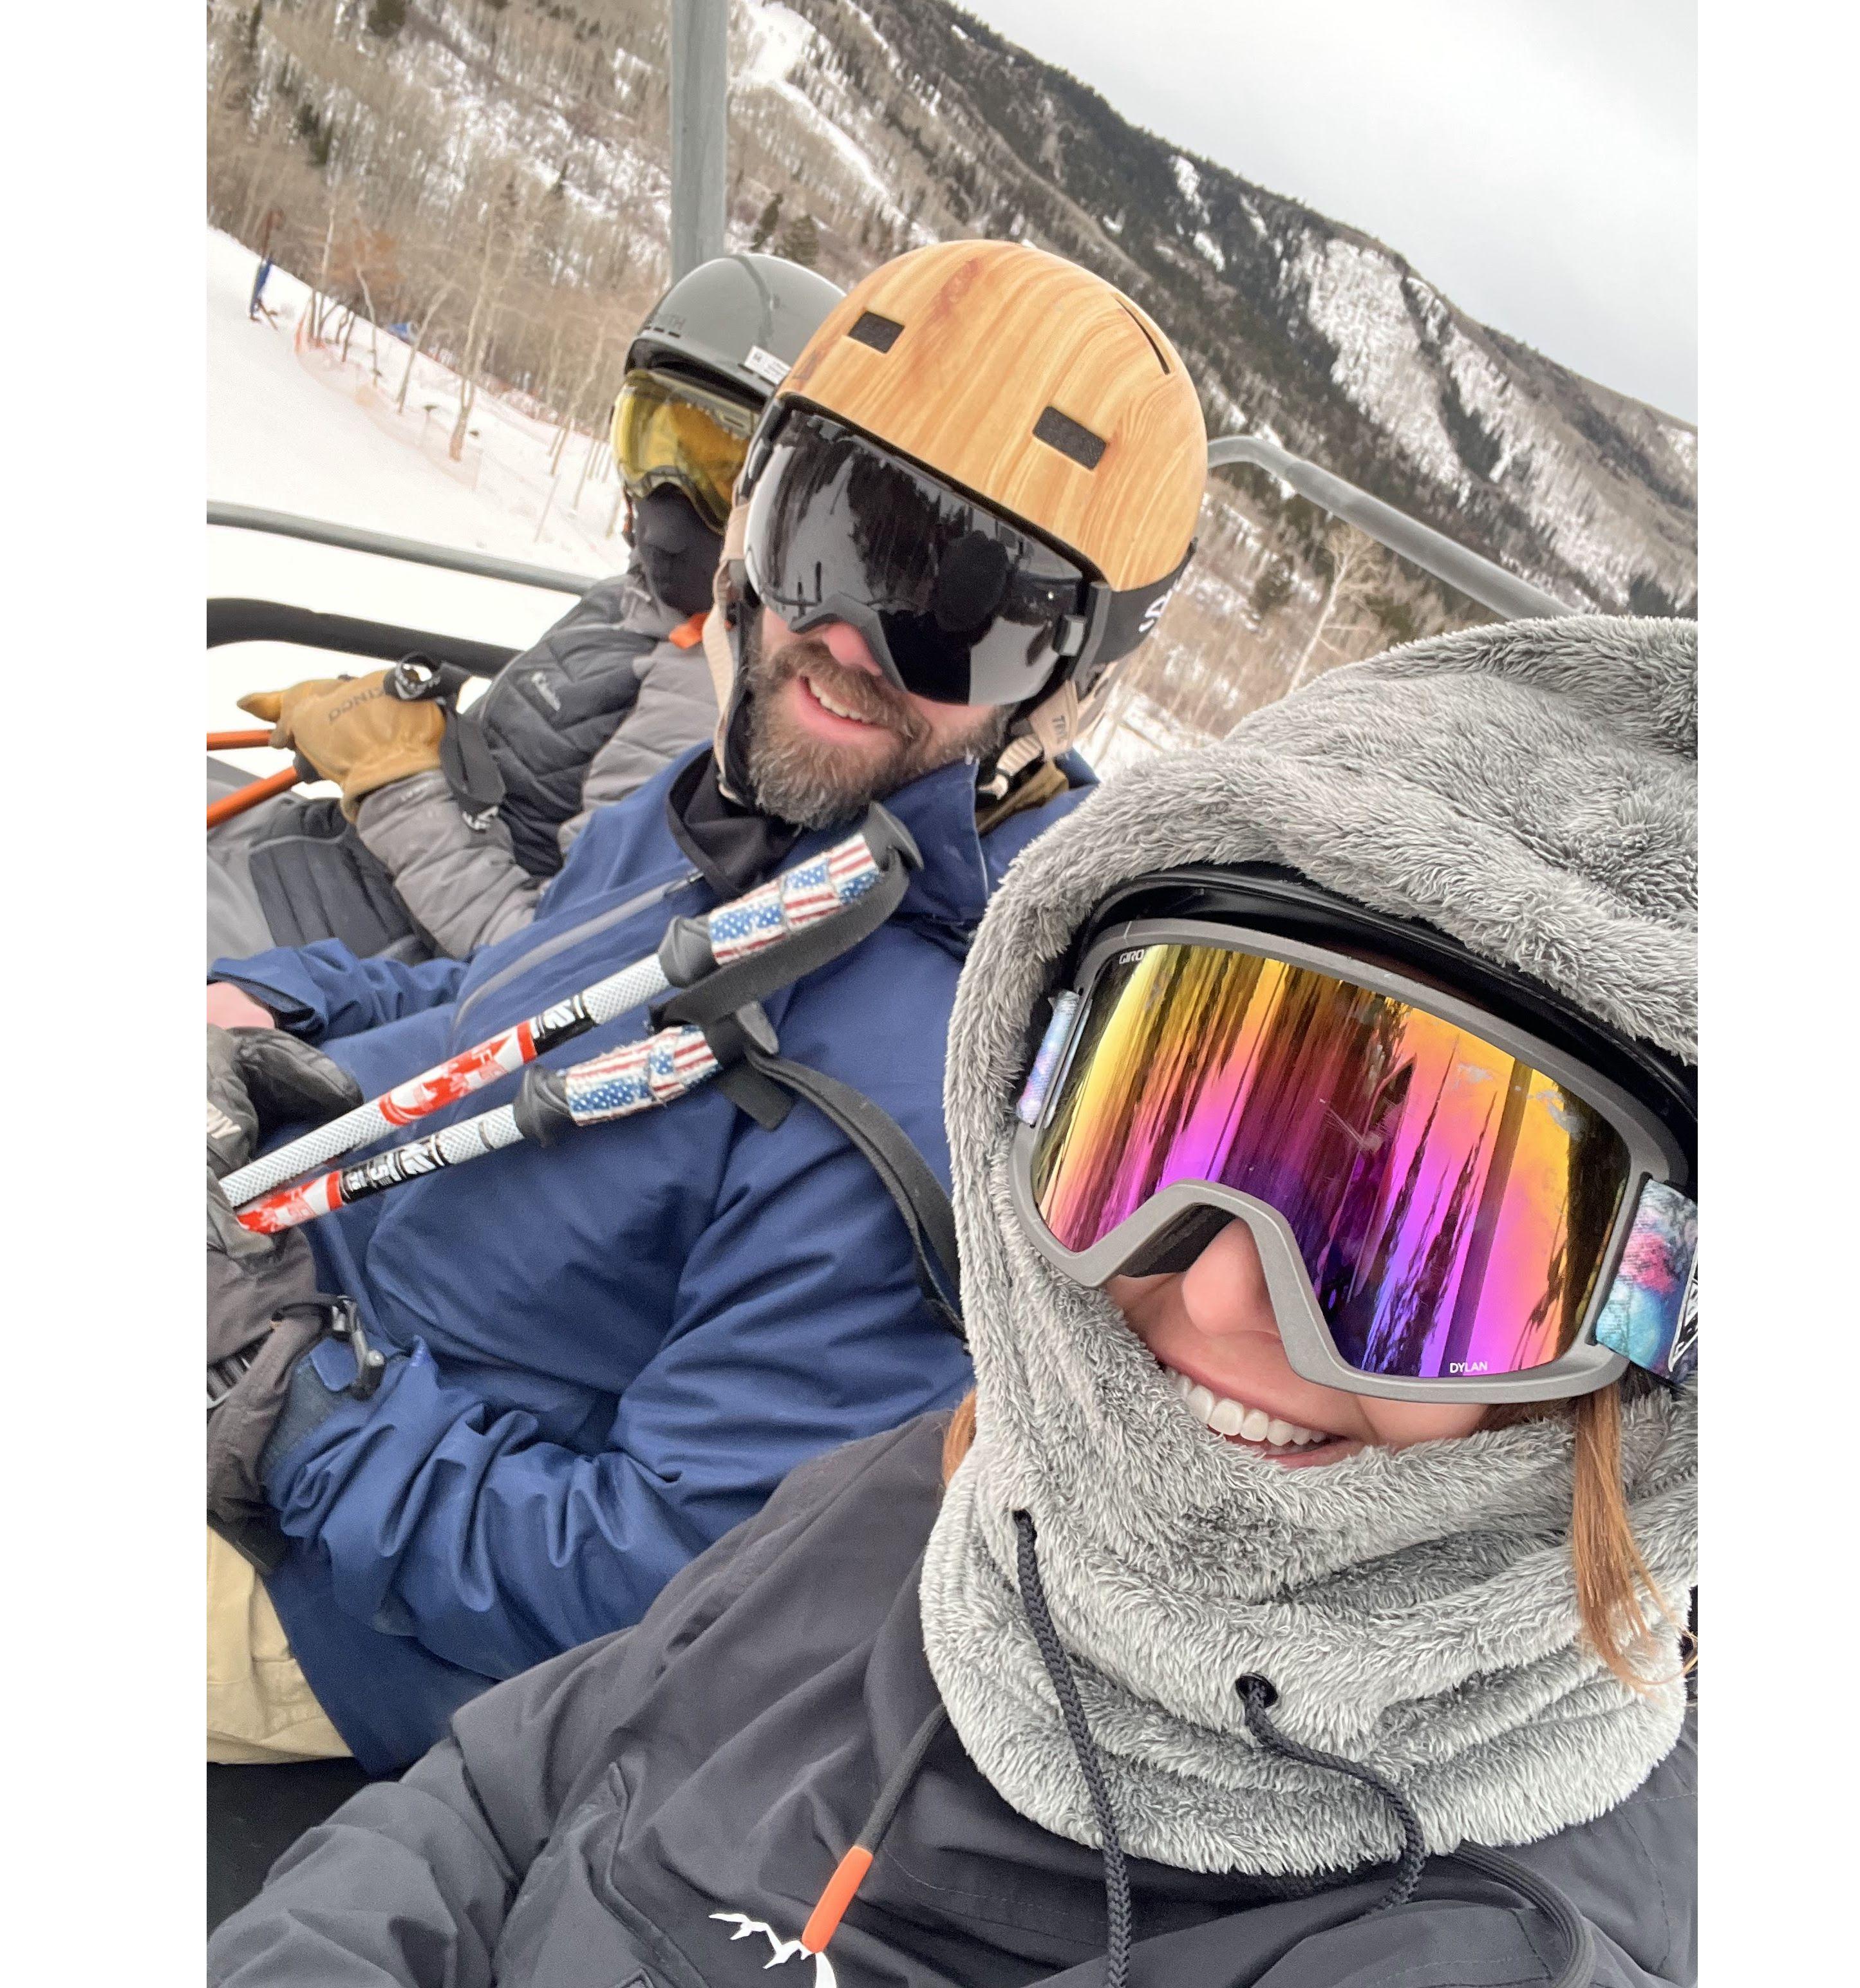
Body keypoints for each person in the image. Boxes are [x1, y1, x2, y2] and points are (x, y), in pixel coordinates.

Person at [208, 611, 1698, 1986]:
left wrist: (301, 1410)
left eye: (1431, 1244)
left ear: (1667, 1353)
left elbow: (601, 1583)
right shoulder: (943, 1485)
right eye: (1173, 1125)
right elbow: (499, 1791)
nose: (1227, 1289)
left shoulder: (1482, 1946)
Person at [203, 238, 1210, 1774]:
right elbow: (491, 995)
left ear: (1056, 689)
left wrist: (294, 1408)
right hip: (284, 1281)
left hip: (336, 1584)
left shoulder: (929, 1088)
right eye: (835, 537)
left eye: (960, 615)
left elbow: (655, 1583)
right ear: (758, 511)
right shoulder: (734, 802)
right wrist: (268, 1005)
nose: (851, 643)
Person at [205, 252, 844, 968]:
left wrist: (394, 781)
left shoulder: (711, 701)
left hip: (351, 951)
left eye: (719, 475)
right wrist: (413, 733)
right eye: (654, 442)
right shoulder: (634, 602)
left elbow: (547, 961)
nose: (669, 492)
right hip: (322, 858)